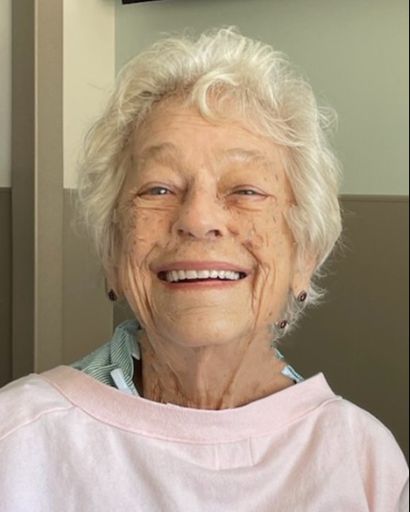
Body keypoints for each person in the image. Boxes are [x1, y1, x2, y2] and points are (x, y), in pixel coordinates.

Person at [0, 26, 408, 511]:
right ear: (112, 251)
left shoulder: (364, 462)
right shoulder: (17, 439)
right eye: (158, 189)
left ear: (305, 254)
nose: (198, 219)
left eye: (246, 190)